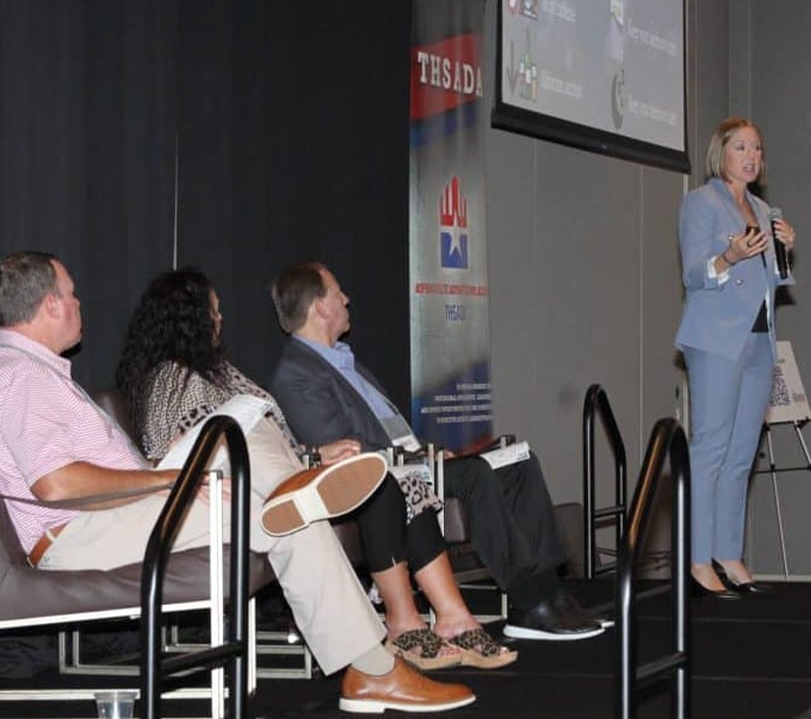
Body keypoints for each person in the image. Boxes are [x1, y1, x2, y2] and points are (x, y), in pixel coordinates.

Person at [0, 251, 474, 713]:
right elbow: (56, 486)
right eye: (72, 293)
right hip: (77, 533)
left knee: (259, 467)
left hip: (109, 519)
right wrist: (168, 479)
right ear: (50, 304)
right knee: (272, 498)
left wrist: (166, 469)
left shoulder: (39, 373)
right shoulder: (21, 374)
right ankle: (371, 665)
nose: (79, 302)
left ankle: (368, 660)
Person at [114, 268, 516, 671]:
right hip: (232, 484)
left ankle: (452, 617)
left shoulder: (222, 373)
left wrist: (316, 454)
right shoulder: (168, 377)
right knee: (378, 485)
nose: (220, 321)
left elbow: (276, 438)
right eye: (213, 313)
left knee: (398, 479)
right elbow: (164, 451)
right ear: (188, 320)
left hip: (281, 467)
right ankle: (402, 621)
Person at [268, 261, 603, 641]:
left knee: (518, 461)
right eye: (337, 293)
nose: (347, 299)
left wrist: (428, 452)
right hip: (389, 478)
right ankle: (529, 601)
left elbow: (391, 429)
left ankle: (551, 590)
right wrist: (417, 460)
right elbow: (346, 454)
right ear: (320, 308)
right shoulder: (297, 374)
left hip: (417, 462)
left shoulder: (347, 361)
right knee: (476, 474)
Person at [674, 118, 796, 598]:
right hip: (717, 340)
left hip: (759, 340)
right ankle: (698, 559)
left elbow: (773, 280)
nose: (751, 156)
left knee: (742, 454)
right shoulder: (701, 202)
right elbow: (693, 273)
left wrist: (783, 250)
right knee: (711, 450)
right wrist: (729, 258)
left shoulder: (765, 209)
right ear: (720, 153)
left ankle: (728, 554)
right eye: (741, 147)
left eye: (757, 149)